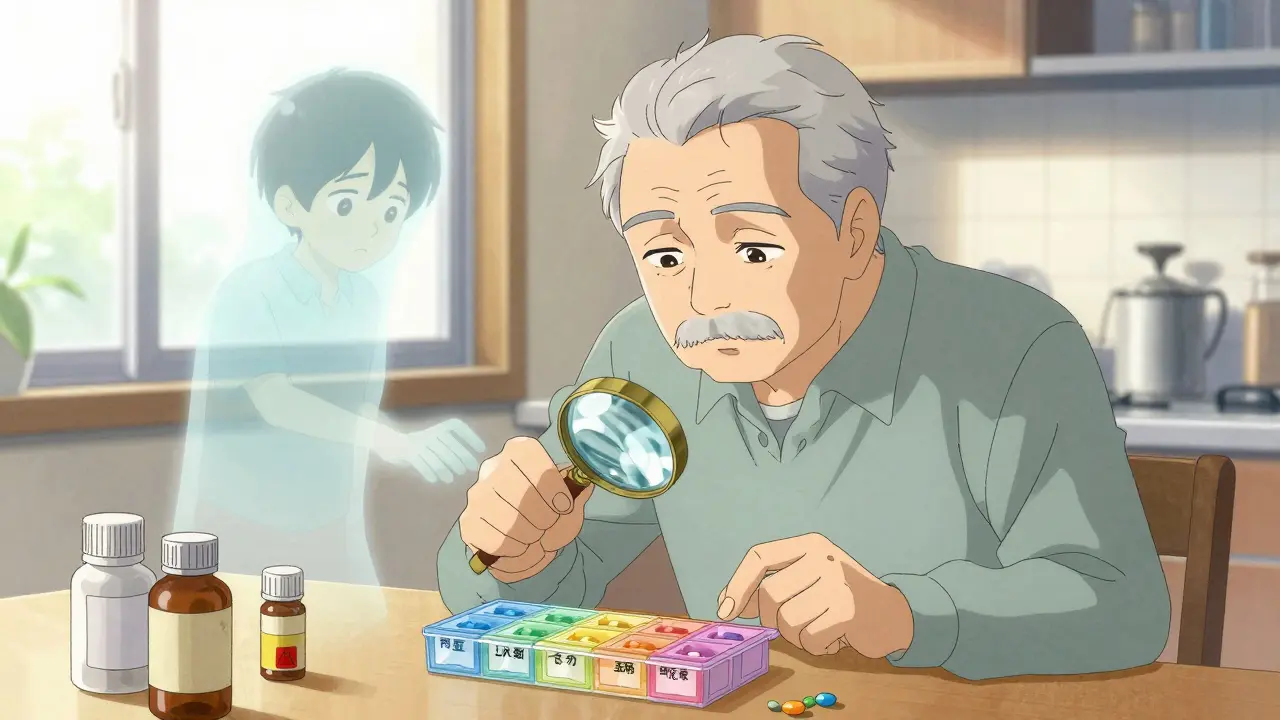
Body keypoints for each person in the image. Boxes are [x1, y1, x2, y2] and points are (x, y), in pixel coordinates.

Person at [436, 35, 1173, 681]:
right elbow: (519, 585)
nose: (701, 295)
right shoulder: (640, 352)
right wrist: (511, 555)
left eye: (752, 246)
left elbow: (1119, 603)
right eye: (663, 254)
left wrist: (903, 614)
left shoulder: (1013, 343)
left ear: (855, 233)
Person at [175, 69, 483, 586]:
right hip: (241, 525)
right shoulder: (249, 292)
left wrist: (400, 442)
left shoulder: (361, 298)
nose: (372, 228)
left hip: (322, 525)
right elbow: (274, 400)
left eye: (391, 209)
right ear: (290, 203)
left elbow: (354, 403)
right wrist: (388, 441)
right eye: (347, 202)